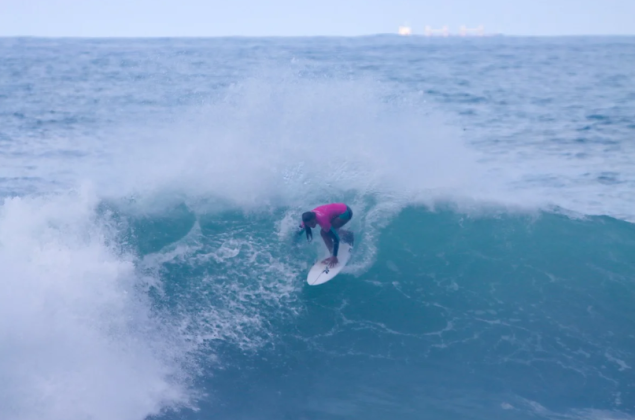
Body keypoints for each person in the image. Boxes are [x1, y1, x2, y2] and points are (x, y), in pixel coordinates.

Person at [299, 203, 354, 267]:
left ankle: (348, 235)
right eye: (309, 225)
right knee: (329, 230)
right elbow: (299, 230)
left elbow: (336, 238)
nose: (311, 226)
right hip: (340, 209)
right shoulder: (305, 221)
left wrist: (334, 256)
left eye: (312, 223)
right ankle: (332, 252)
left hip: (345, 212)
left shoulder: (322, 219)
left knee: (324, 232)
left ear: (314, 218)